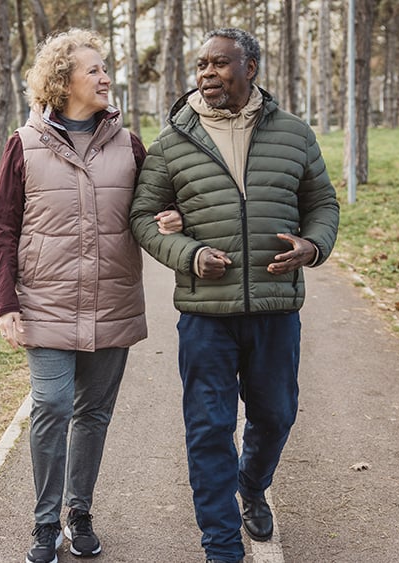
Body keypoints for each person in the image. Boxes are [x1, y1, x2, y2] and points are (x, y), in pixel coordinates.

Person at [129, 27, 340, 563]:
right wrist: (188, 255)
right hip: (205, 313)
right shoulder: (173, 141)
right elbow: (142, 217)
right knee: (208, 428)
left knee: (275, 416)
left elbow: (323, 204)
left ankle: (251, 485)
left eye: (219, 64)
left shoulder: (293, 133)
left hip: (275, 308)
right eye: (201, 65)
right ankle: (222, 546)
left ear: (251, 68)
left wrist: (313, 246)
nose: (206, 74)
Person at [0, 28, 181, 563]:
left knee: (93, 414)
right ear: (62, 80)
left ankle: (80, 512)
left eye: (104, 68)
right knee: (51, 404)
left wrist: (172, 215)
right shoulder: (23, 144)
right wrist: (6, 304)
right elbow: (2, 229)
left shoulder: (129, 143)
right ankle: (45, 522)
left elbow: (153, 207)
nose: (105, 77)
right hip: (45, 301)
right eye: (94, 69)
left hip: (111, 301)